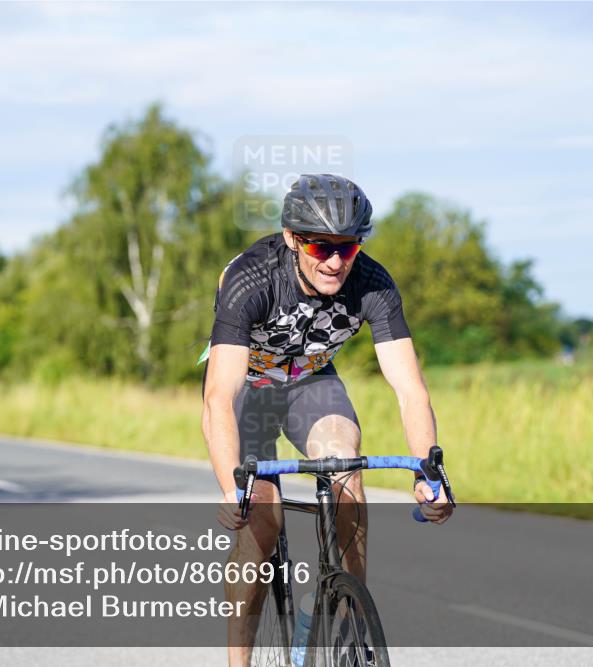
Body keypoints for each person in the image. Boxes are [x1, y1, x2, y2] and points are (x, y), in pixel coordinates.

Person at [201, 174, 452, 665]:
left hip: (311, 382)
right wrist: (232, 489)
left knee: (345, 470)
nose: (336, 262)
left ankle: (346, 615)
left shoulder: (373, 283)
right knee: (262, 523)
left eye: (348, 247)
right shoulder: (251, 278)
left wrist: (430, 472)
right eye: (321, 247)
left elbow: (410, 389)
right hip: (248, 388)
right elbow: (218, 397)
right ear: (292, 238)